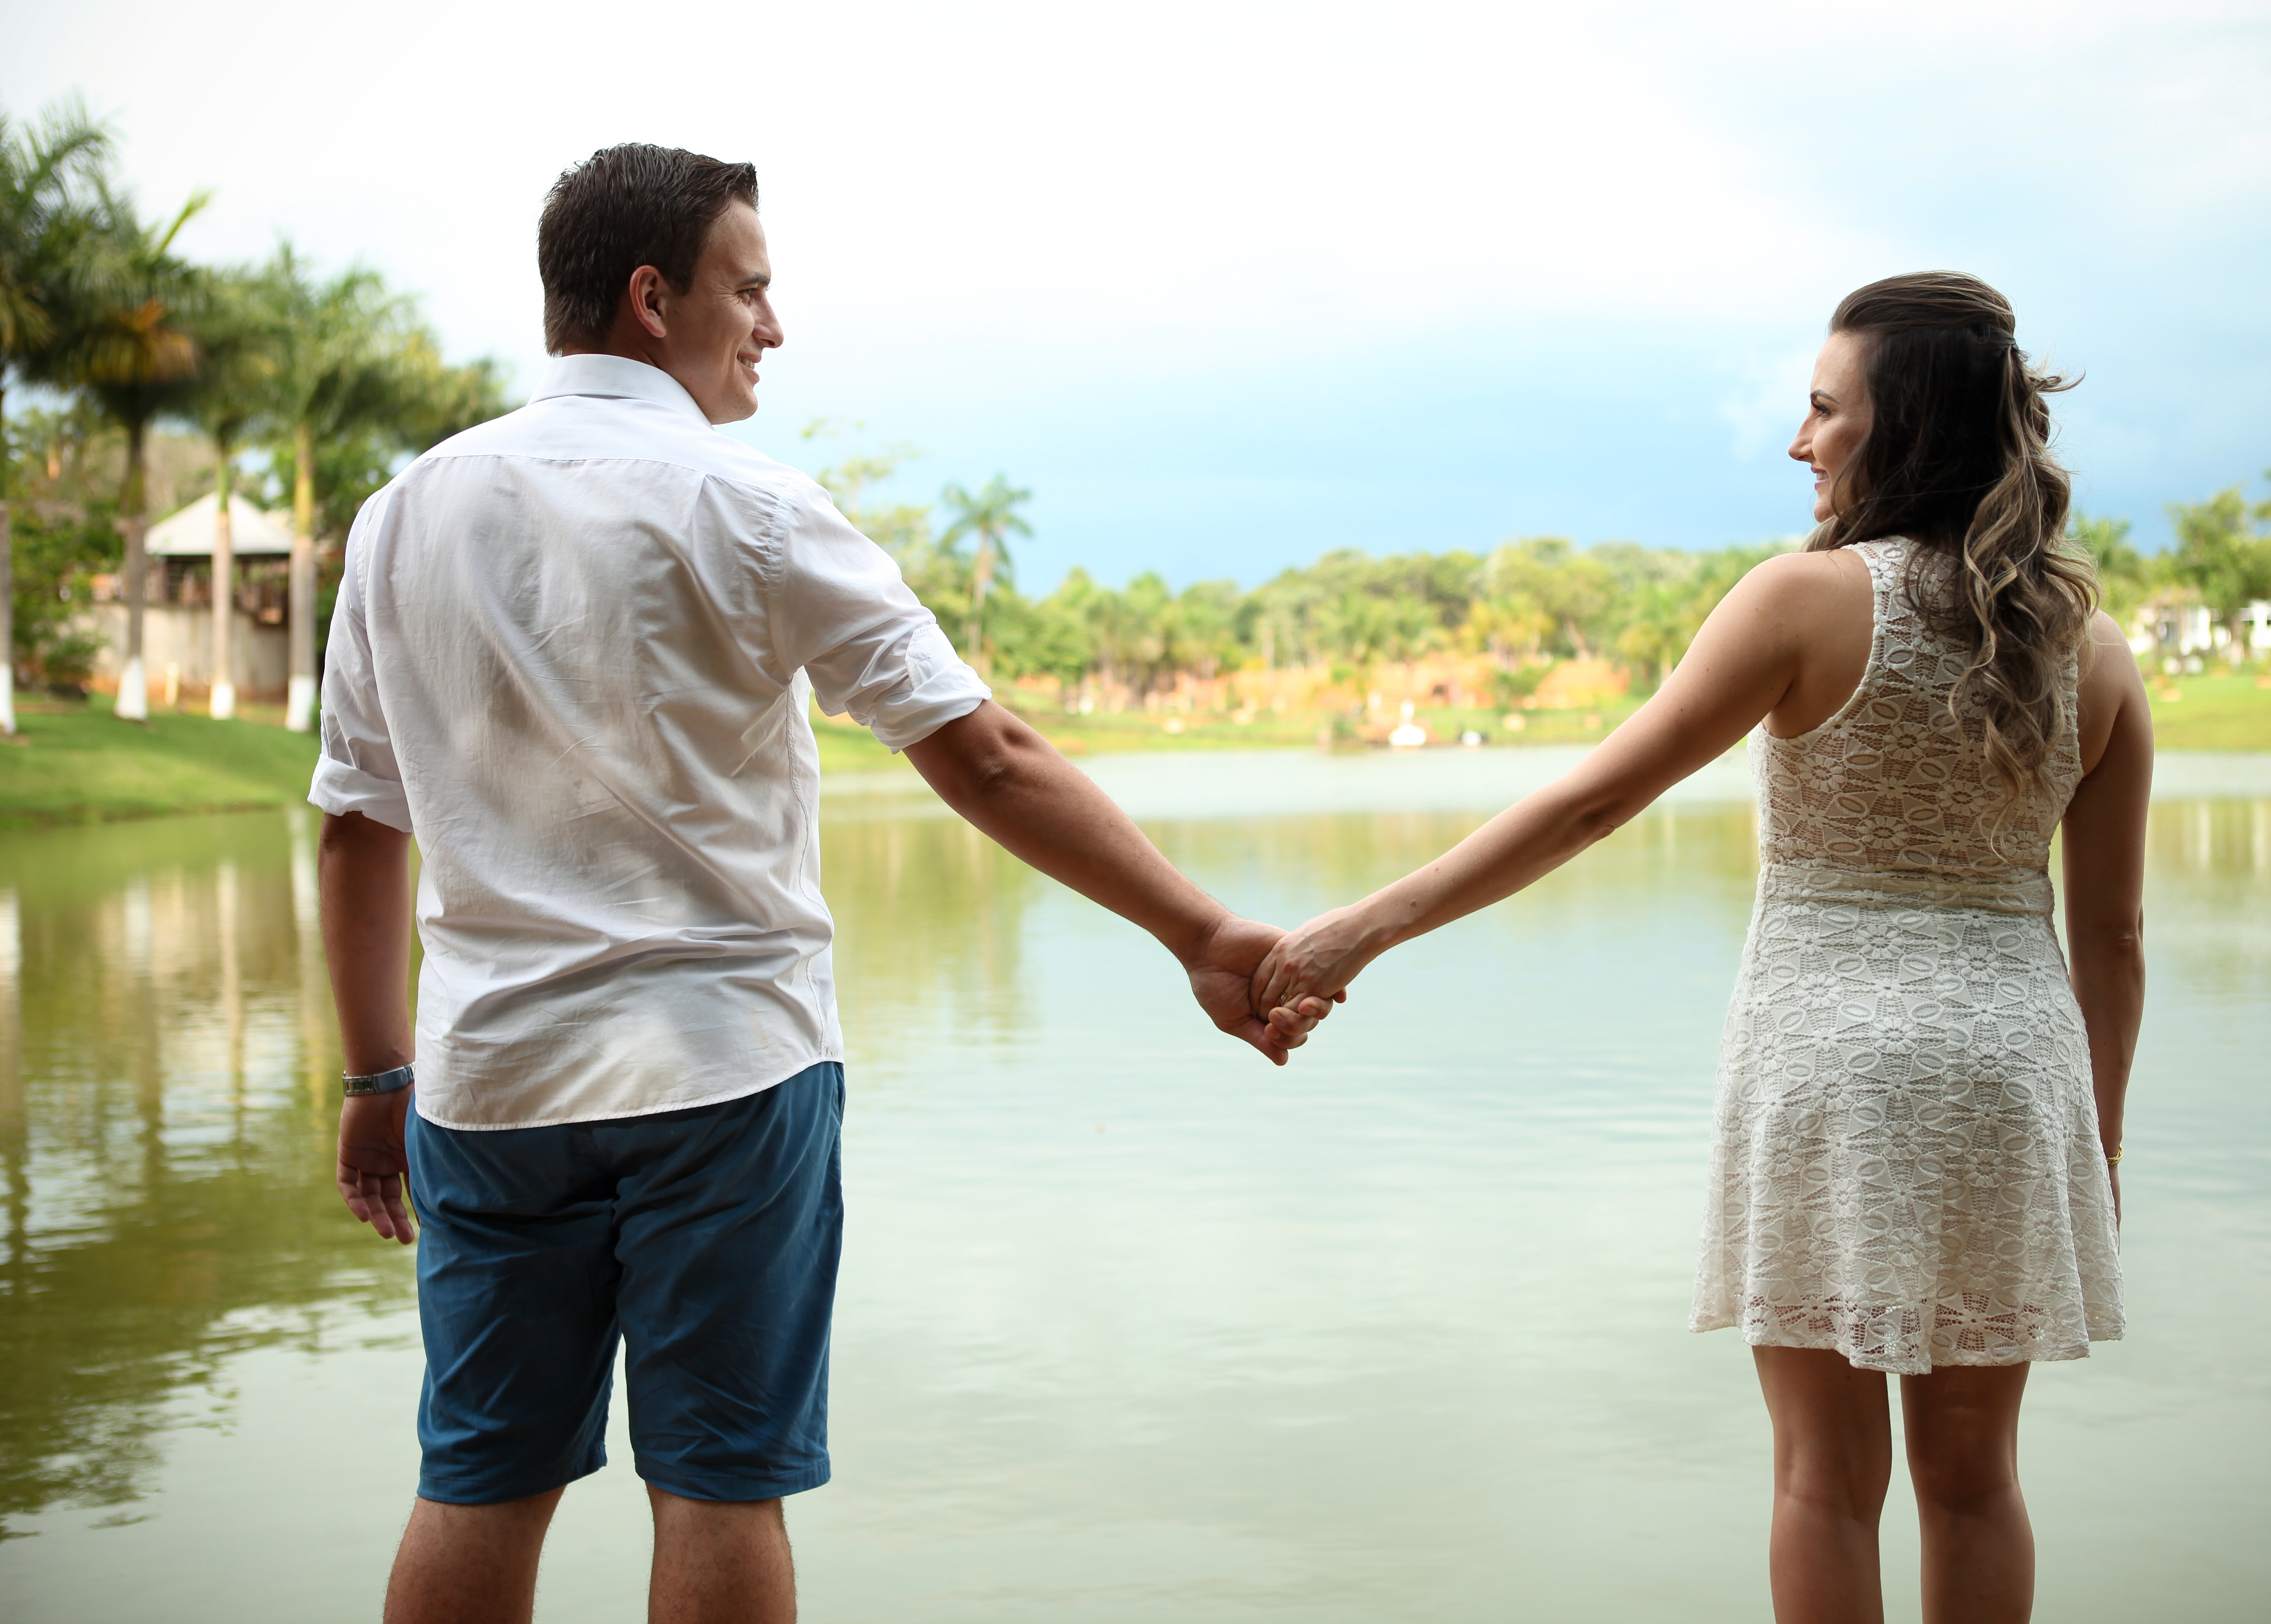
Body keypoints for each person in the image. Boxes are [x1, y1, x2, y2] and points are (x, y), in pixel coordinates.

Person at [312, 143, 1330, 1624]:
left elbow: (358, 822)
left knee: (477, 1474)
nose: (774, 328)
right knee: (721, 1480)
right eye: (753, 288)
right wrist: (1202, 928)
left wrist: (372, 1073)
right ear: (654, 298)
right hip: (724, 1079)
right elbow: (985, 755)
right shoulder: (754, 508)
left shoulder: (403, 510)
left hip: (489, 1093)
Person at [1251, 272, 2149, 1624]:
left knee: (1823, 1481)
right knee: (1975, 1480)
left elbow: (1595, 802)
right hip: (2012, 1081)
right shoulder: (2098, 650)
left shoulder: (1800, 601)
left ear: (1896, 430)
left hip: (1829, 1071)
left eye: (1823, 411)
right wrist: (2102, 1141)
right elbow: (2117, 938)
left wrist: (1365, 926)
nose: (1801, 442)